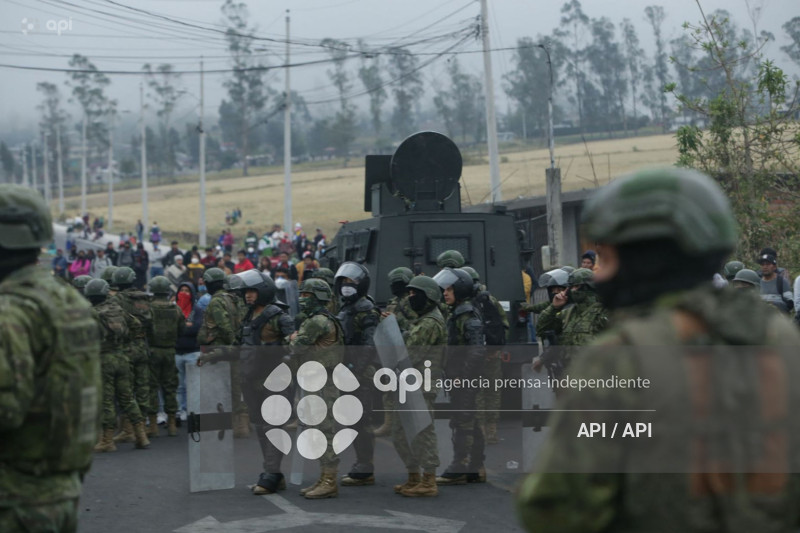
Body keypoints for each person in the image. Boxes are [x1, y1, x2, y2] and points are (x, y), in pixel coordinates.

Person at [515, 167, 800, 532]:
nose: (599, 275)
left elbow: (556, 506)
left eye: (608, 258)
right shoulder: (780, 337)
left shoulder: (620, 357)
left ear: (647, 258)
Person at [0, 184, 101, 532]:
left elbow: (6, 409)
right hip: (59, 488)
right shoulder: (67, 301)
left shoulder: (10, 311)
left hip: (13, 497)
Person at [289, 278, 345, 499]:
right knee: (319, 431)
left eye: (307, 296)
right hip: (318, 379)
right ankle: (324, 478)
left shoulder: (317, 321)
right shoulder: (323, 318)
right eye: (301, 295)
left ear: (319, 298)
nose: (302, 300)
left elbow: (297, 346)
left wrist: (291, 337)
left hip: (322, 382)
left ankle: (329, 480)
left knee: (325, 432)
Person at [391, 275, 446, 498]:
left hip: (421, 385)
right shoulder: (422, 320)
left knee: (422, 432)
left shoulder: (430, 323)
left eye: (415, 294)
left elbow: (410, 354)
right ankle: (414, 477)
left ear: (429, 297)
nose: (411, 298)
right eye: (410, 293)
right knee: (401, 433)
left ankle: (429, 480)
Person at [433, 267, 486, 485]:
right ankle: (475, 466)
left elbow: (476, 351)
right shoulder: (457, 313)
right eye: (444, 289)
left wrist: (463, 376)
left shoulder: (467, 315)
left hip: (464, 378)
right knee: (468, 420)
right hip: (458, 376)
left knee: (462, 421)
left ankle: (460, 466)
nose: (445, 293)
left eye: (449, 289)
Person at [85, 278, 150, 452]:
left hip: (103, 360)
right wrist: (125, 342)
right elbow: (136, 325)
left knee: (106, 400)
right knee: (127, 398)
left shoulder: (91, 313)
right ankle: (141, 435)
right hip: (122, 358)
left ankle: (107, 440)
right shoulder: (117, 309)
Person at [335, 262, 382, 487]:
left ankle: (365, 467)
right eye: (343, 282)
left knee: (362, 420)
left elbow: (368, 345)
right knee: (352, 420)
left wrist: (355, 370)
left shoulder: (366, 310)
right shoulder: (346, 307)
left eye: (351, 282)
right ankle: (362, 464)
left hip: (359, 373)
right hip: (347, 371)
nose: (346, 286)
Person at [196, 268, 246, 437]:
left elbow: (224, 325)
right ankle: (240, 426)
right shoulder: (233, 298)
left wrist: (231, 345)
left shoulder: (216, 301)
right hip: (231, 350)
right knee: (235, 388)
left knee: (219, 390)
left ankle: (226, 426)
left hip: (219, 350)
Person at [462, 266, 509, 445]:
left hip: (474, 354)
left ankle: (481, 429)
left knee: (478, 392)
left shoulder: (464, 304)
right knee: (493, 392)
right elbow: (503, 325)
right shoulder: (490, 299)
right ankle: (492, 430)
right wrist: (496, 349)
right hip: (492, 354)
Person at [110, 266, 154, 441]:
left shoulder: (116, 300)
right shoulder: (143, 298)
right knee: (143, 387)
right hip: (142, 346)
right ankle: (141, 427)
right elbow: (151, 323)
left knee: (125, 390)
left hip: (125, 348)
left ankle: (128, 429)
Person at [175, 281, 200, 421]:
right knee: (179, 386)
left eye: (187, 290)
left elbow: (196, 328)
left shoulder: (197, 310)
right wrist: (186, 326)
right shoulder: (174, 309)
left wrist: (182, 327)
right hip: (177, 353)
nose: (184, 293)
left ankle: (194, 411)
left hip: (193, 353)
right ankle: (180, 411)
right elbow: (171, 329)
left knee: (193, 386)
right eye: (182, 290)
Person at [757, 247, 794, 314]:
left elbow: (790, 304)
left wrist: (774, 305)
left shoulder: (782, 281)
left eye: (768, 264)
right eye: (762, 264)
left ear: (774, 267)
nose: (765, 267)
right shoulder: (757, 281)